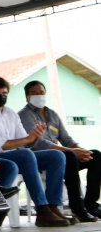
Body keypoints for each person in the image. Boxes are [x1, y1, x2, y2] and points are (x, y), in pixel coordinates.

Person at [0, 77, 69, 227]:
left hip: (19, 155)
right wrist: (27, 140)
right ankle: (42, 208)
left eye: (4, 93)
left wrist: (35, 137)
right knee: (26, 155)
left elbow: (26, 142)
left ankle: (53, 206)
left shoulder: (11, 113)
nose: (1, 96)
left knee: (57, 156)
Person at [18, 80, 101, 222]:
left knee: (96, 155)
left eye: (41, 92)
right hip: (41, 158)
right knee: (69, 156)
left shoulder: (52, 114)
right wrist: (72, 151)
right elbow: (39, 144)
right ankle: (77, 207)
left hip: (63, 156)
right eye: (34, 93)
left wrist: (81, 151)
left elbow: (66, 139)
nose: (39, 95)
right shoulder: (25, 114)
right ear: (27, 97)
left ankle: (91, 204)